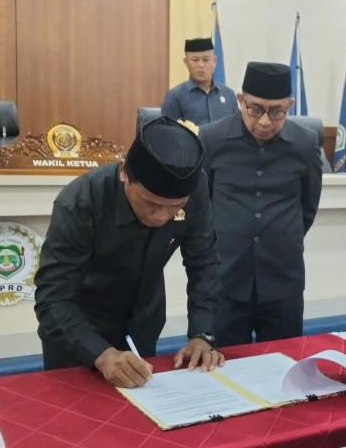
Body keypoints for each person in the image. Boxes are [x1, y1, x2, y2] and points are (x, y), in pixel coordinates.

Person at [34, 117, 224, 388]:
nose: (161, 216)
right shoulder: (81, 202)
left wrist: (202, 334)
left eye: (175, 207)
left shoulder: (196, 189)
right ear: (124, 172)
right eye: (151, 203)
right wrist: (101, 354)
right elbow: (53, 297)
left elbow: (203, 262)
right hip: (77, 333)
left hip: (142, 324)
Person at [199, 62, 323, 347]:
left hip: (283, 279)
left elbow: (308, 208)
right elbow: (202, 207)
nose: (265, 121)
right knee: (225, 363)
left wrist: (279, 236)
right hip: (225, 279)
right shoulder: (211, 139)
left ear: (290, 105)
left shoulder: (305, 144)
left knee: (284, 362)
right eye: (255, 109)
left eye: (277, 111)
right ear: (240, 100)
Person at [160, 37, 238, 126]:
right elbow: (167, 131)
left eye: (206, 60)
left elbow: (236, 128)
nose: (201, 65)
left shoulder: (229, 95)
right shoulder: (174, 97)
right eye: (195, 60)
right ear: (186, 62)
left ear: (214, 61)